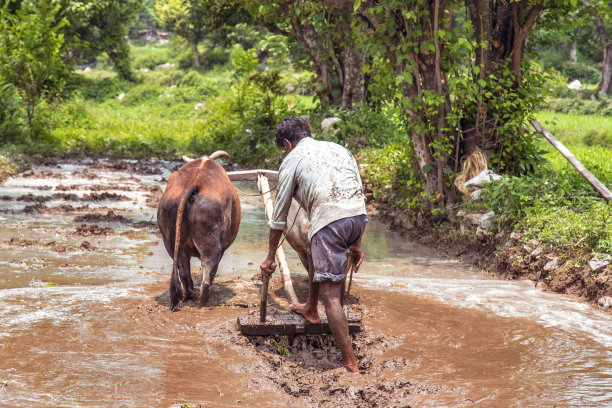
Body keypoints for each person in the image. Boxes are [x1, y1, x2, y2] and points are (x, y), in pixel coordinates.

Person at [260, 116, 367, 373]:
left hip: (329, 222)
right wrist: (357, 243)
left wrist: (269, 257)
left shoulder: (291, 161)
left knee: (331, 297)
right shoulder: (340, 149)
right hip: (358, 218)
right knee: (319, 261)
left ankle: (349, 364)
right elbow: (357, 192)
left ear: (287, 144)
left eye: (284, 147)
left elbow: (279, 218)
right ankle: (309, 308)